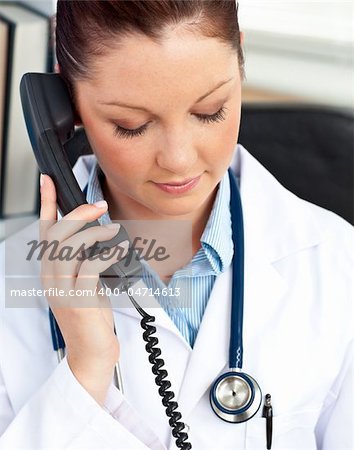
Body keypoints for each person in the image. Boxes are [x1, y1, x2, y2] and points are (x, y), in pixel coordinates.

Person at [0, 1, 353, 449]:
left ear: (239, 58)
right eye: (132, 125)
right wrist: (85, 370)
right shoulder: (8, 287)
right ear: (63, 106)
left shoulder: (338, 263)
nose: (179, 159)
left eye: (210, 110)